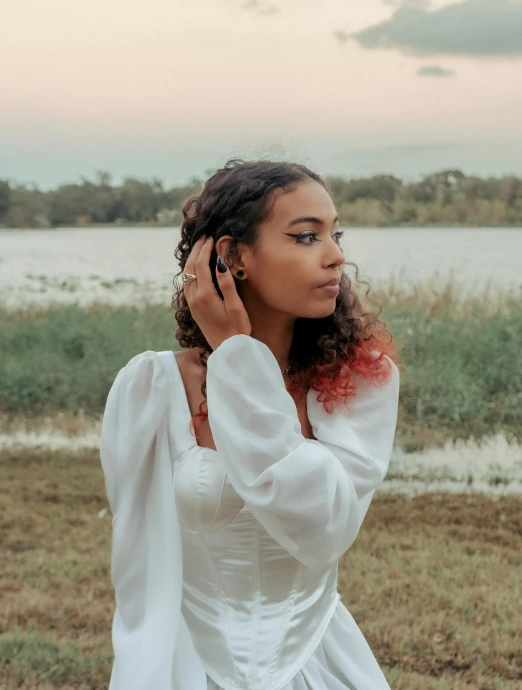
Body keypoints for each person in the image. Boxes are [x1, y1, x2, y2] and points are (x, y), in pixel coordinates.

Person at [100, 159, 402, 690]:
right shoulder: (153, 388)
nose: (336, 257)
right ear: (232, 257)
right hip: (188, 668)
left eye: (336, 234)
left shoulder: (361, 383)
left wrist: (238, 357)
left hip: (316, 664)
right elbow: (140, 573)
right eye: (307, 237)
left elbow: (321, 528)